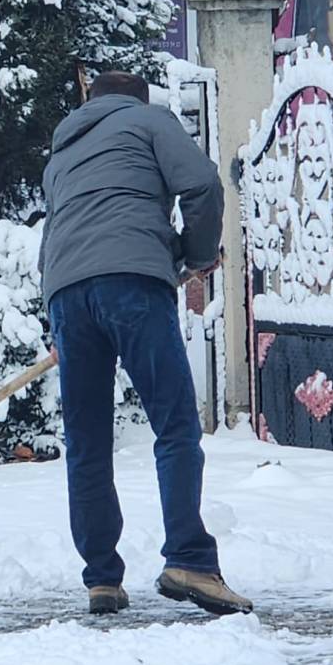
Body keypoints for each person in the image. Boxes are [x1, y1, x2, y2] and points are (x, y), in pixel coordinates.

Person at [39, 70, 253, 617]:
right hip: (132, 282)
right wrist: (197, 252)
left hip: (66, 292)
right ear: (139, 99)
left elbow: (54, 237)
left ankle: (101, 580)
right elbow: (203, 184)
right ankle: (190, 560)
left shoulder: (61, 151)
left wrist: (63, 322)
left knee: (87, 442)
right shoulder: (151, 121)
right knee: (175, 425)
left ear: (91, 100)